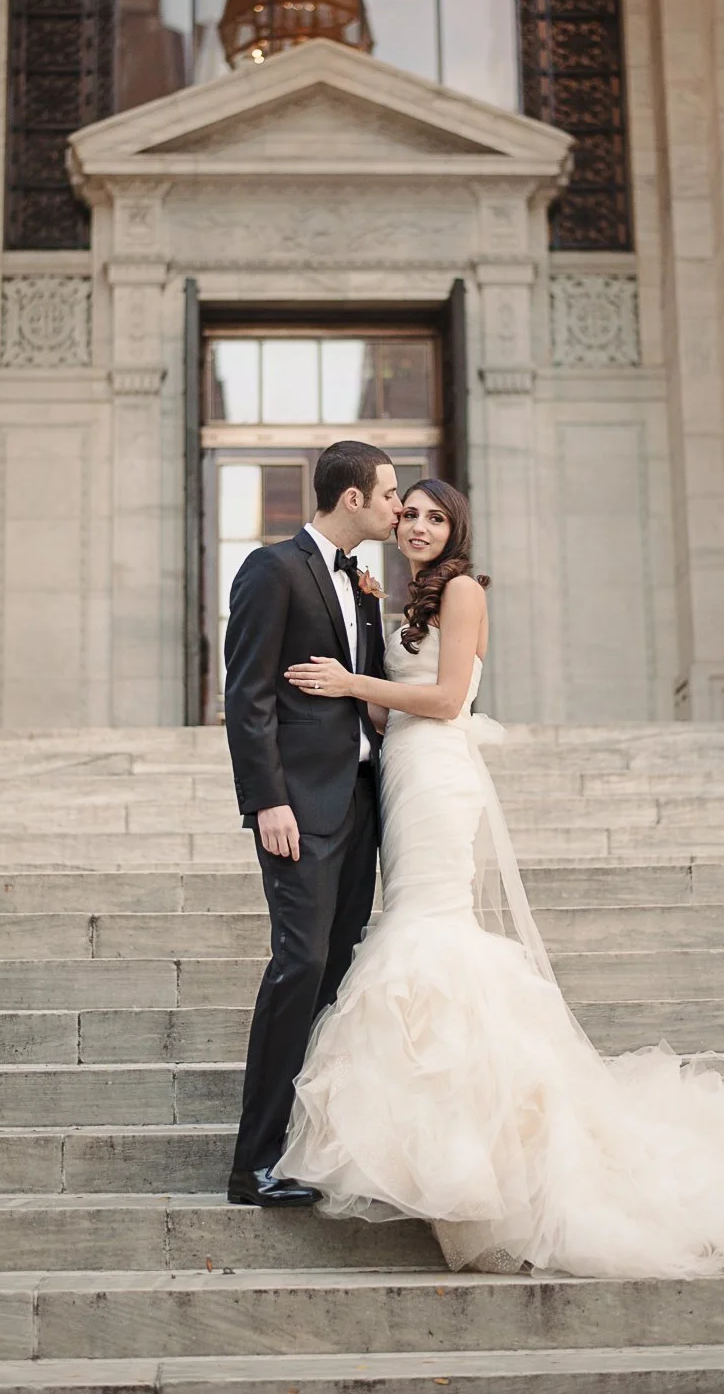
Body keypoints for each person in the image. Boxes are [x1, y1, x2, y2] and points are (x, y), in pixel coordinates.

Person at [278, 477, 724, 1276]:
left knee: (431, 926)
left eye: (437, 516)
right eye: (412, 516)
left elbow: (448, 696)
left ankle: (475, 1144)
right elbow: (396, 707)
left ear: (456, 529)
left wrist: (354, 683)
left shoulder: (463, 590)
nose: (420, 526)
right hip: (400, 773)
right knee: (414, 918)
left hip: (438, 773)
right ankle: (449, 1139)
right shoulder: (404, 601)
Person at [223, 439, 403, 1208]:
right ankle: (253, 1163)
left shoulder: (362, 585)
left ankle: (308, 1144)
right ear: (354, 497)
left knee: (335, 975)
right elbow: (248, 694)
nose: (400, 508)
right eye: (391, 494)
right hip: (299, 807)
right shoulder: (272, 569)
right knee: (297, 967)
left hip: (361, 804)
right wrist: (267, 800)